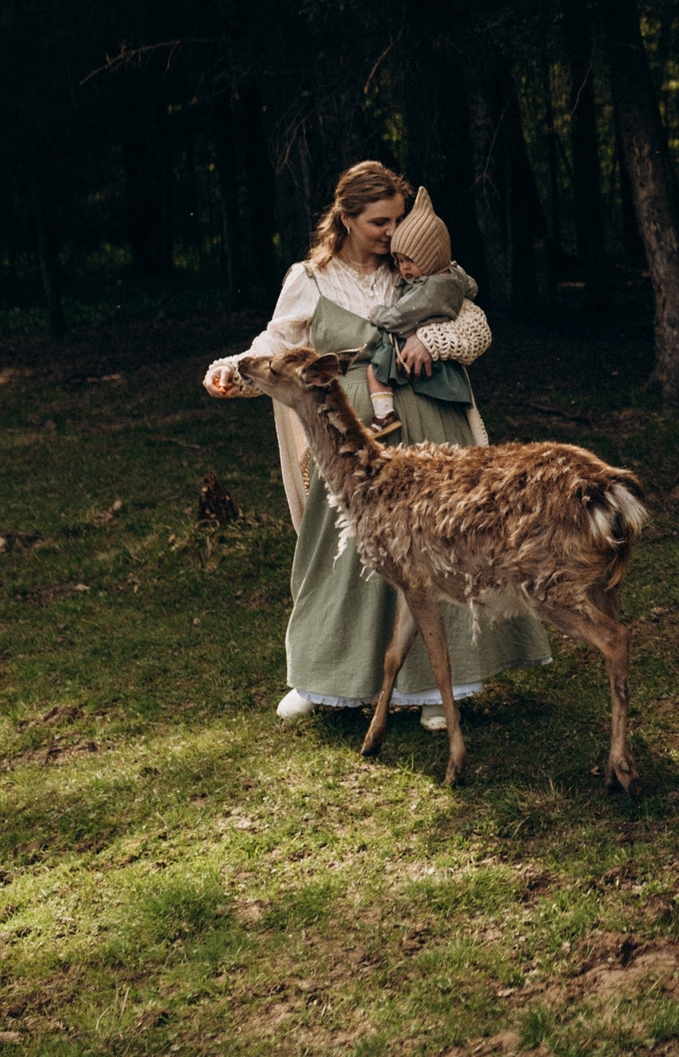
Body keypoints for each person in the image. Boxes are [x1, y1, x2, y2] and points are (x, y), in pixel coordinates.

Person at [202, 161, 549, 724]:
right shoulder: (309, 279)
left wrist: (433, 338)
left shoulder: (417, 266)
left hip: (433, 427)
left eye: (396, 220)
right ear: (345, 218)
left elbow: (476, 325)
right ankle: (323, 675)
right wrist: (232, 368)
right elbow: (275, 342)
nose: (390, 233)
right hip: (351, 438)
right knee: (338, 552)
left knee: (444, 546)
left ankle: (445, 687)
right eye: (378, 223)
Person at [359, 188, 477, 440]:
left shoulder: (428, 288)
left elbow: (399, 317)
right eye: (399, 261)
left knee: (375, 371)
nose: (403, 268)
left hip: (415, 361)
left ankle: (383, 415)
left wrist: (378, 314)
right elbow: (472, 287)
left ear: (430, 257)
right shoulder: (453, 275)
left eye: (409, 261)